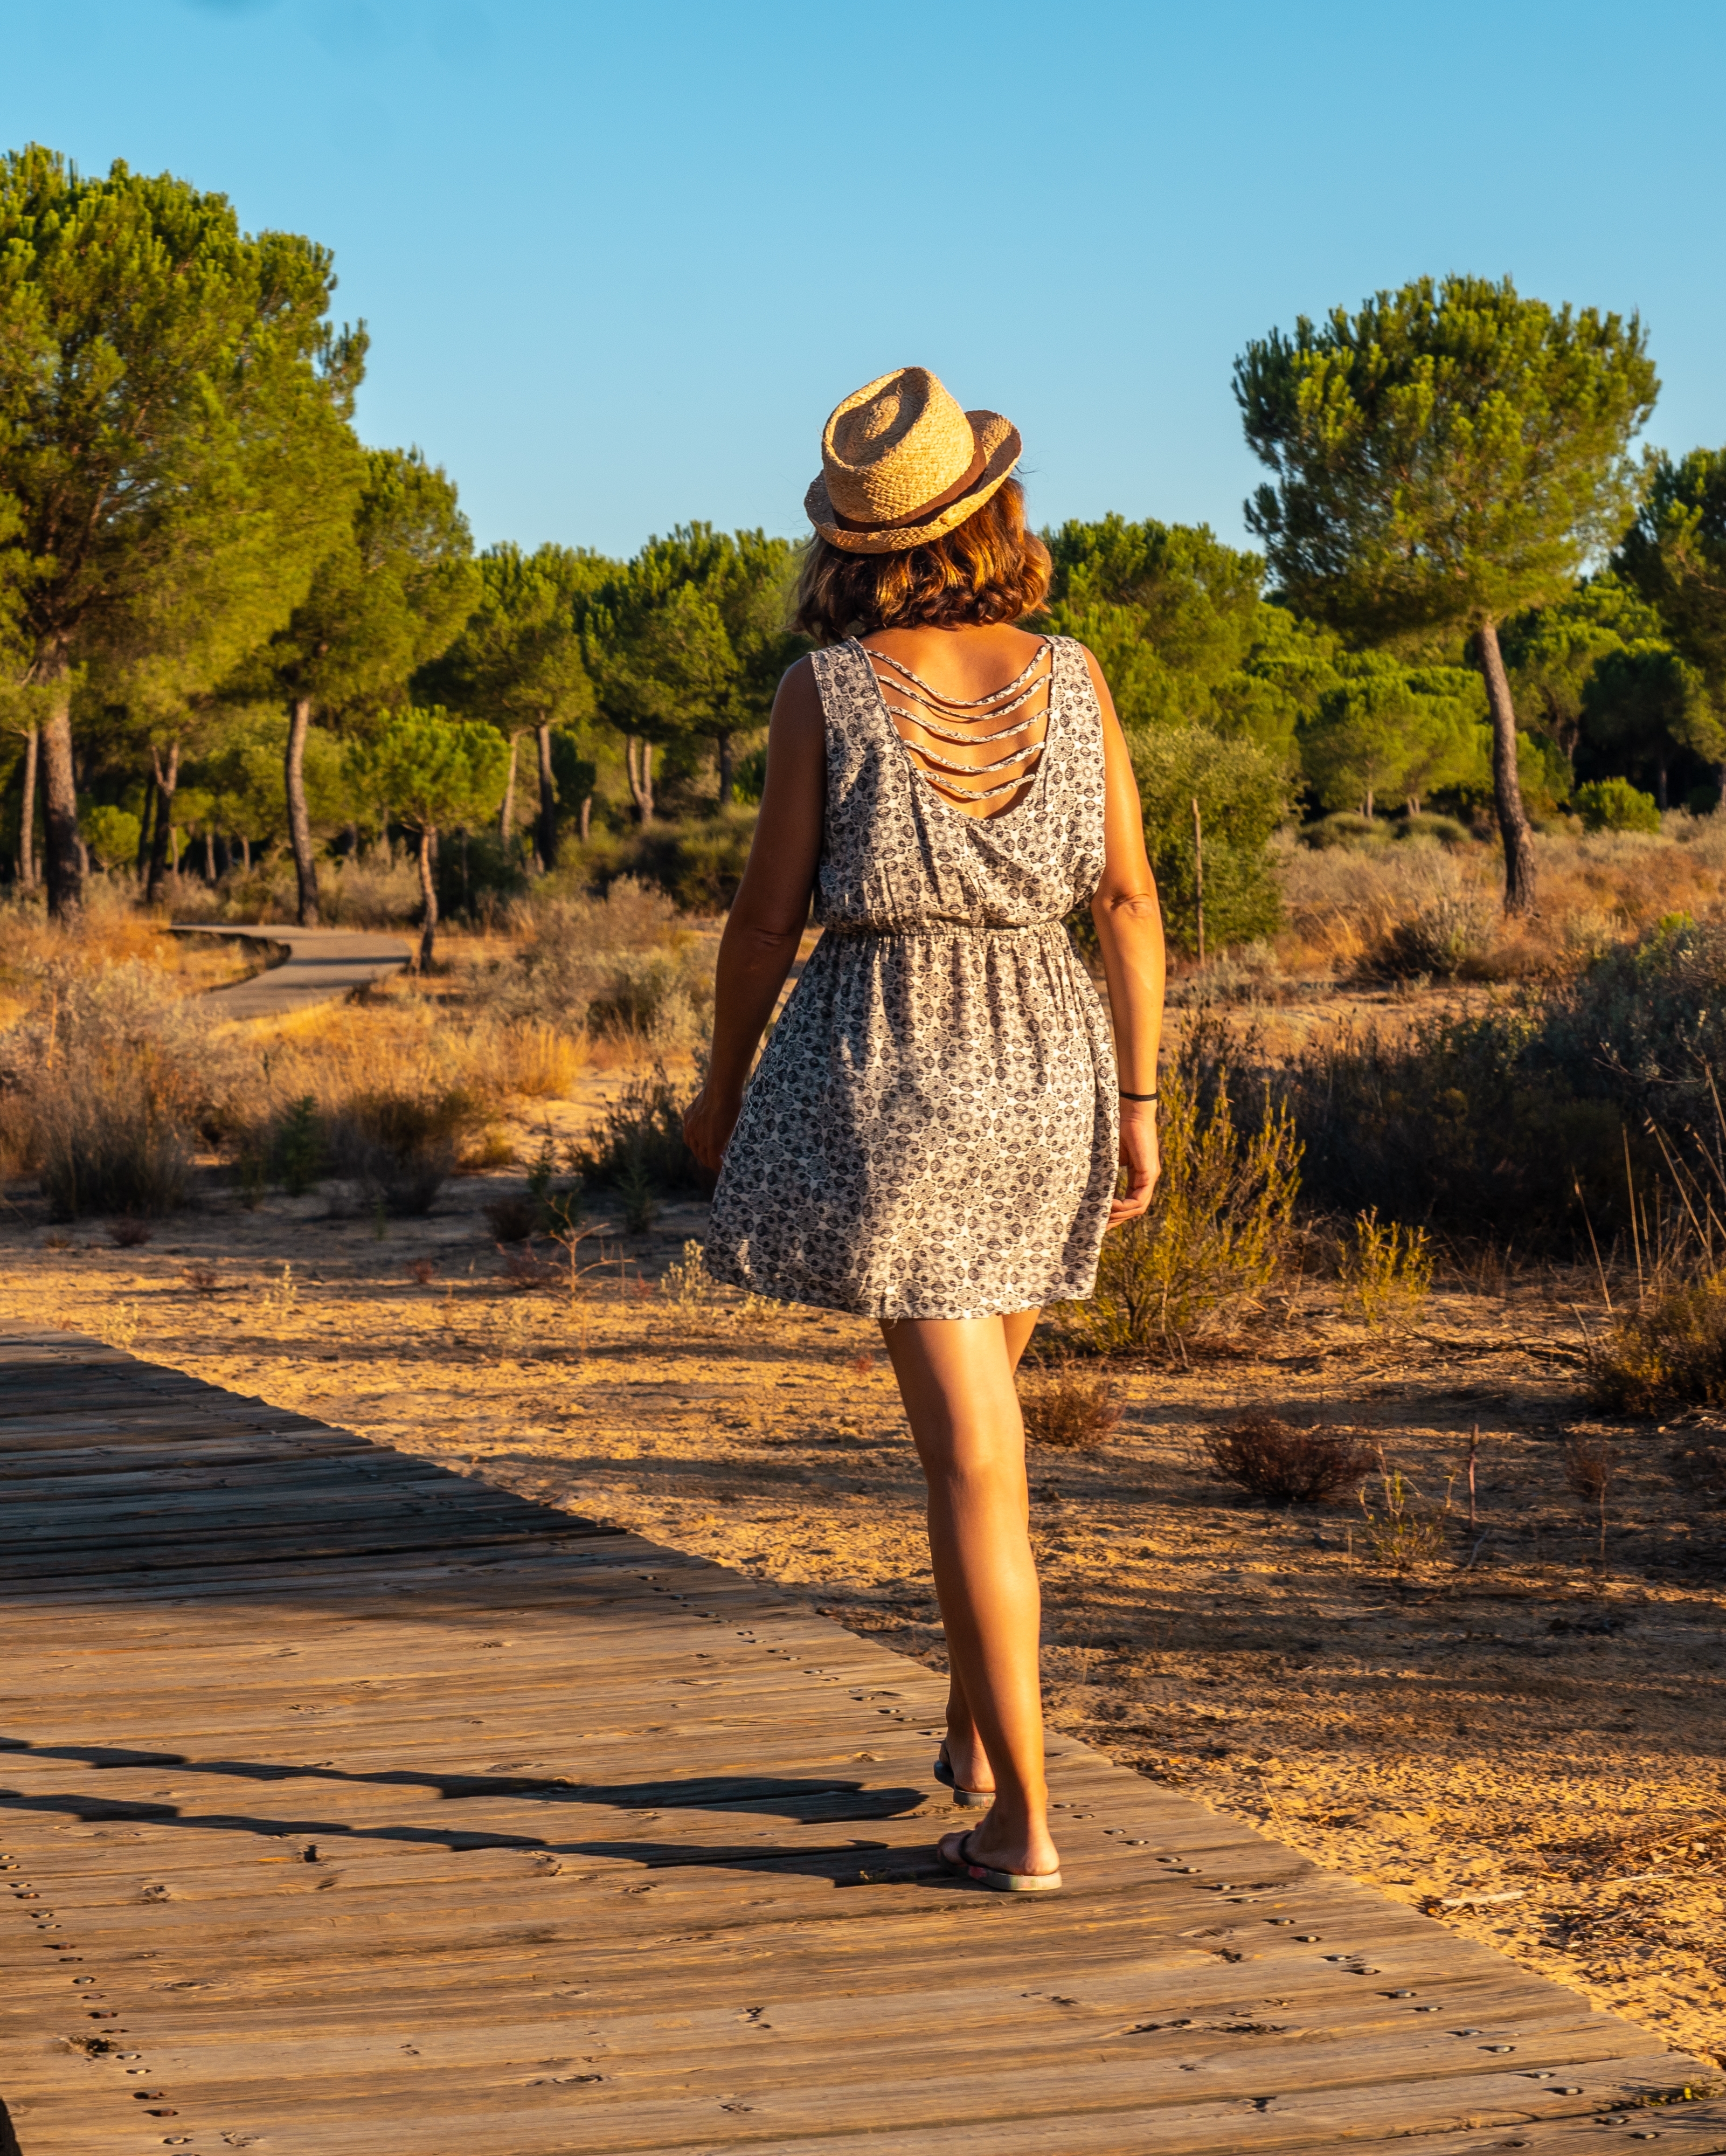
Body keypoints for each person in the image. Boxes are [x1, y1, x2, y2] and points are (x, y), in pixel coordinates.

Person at [681, 368, 1164, 1894]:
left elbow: (764, 923)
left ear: (855, 545)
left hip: (898, 1072)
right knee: (992, 1438)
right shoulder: (1075, 676)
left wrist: (718, 1080)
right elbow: (1130, 903)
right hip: (1049, 1068)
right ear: (993, 510)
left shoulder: (825, 693)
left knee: (972, 1462)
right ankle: (972, 1737)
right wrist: (1141, 1101)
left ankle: (1024, 1820)